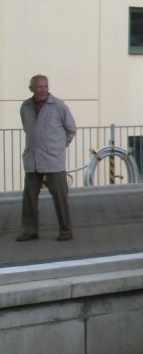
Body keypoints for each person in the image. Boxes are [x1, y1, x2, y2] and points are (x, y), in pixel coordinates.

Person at [18, 74, 76, 241]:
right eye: (39, 87)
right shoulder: (25, 107)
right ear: (31, 89)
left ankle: (66, 230)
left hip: (53, 160)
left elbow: (71, 129)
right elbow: (28, 129)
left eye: (45, 86)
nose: (43, 90)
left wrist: (59, 146)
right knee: (29, 197)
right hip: (33, 159)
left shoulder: (58, 105)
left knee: (60, 197)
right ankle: (30, 231)